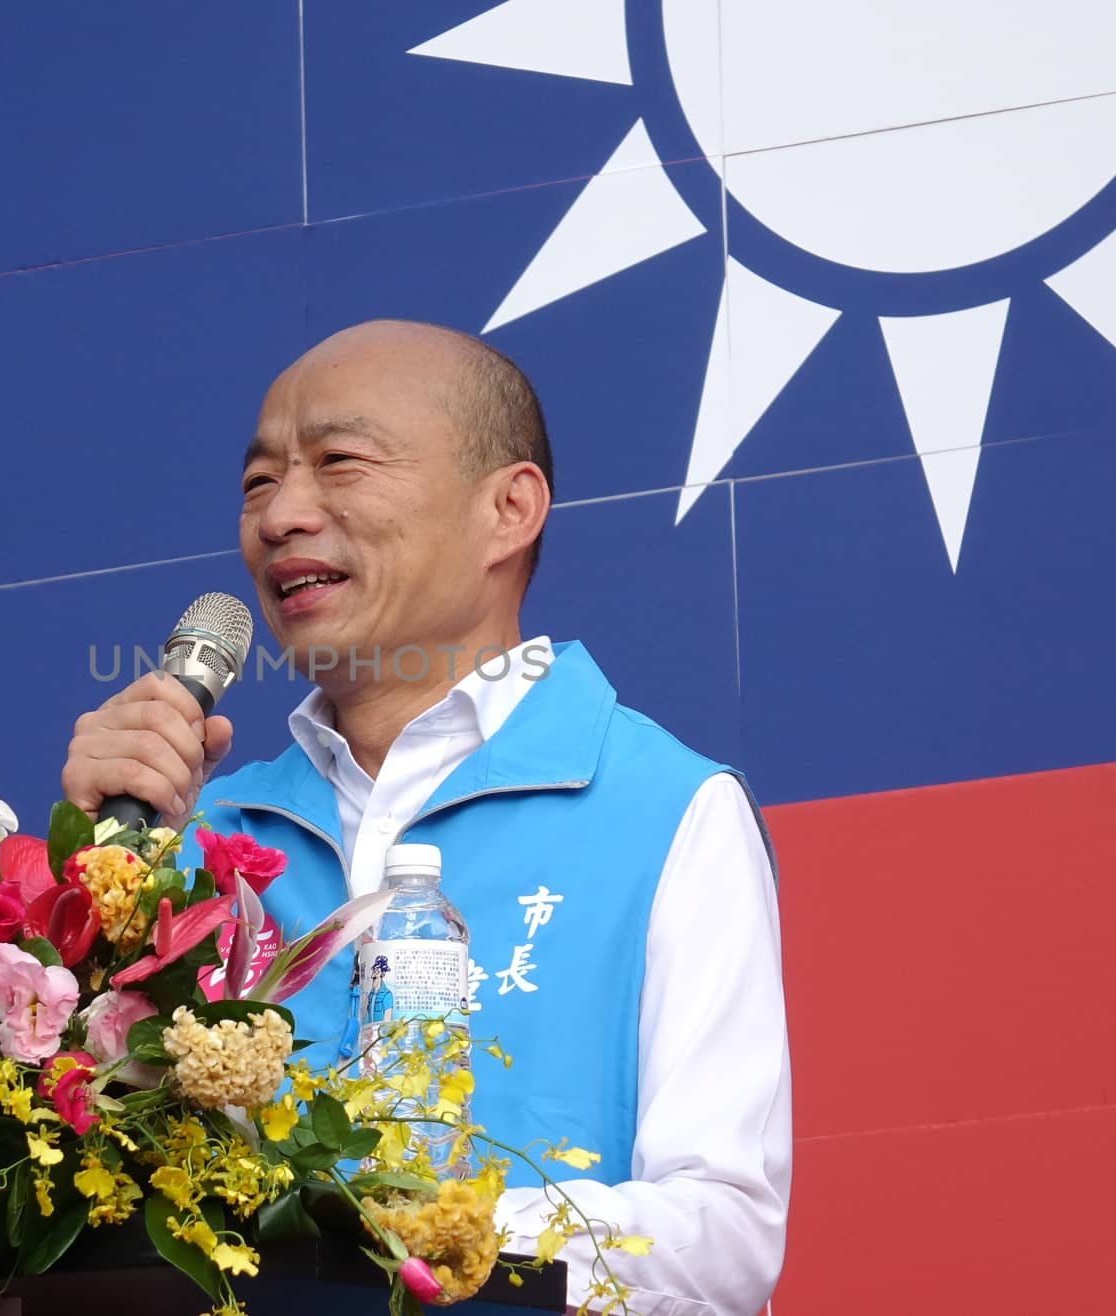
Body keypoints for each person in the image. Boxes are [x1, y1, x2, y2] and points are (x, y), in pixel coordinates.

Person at [61, 320, 790, 1315]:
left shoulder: (664, 808)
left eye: (339, 463)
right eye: (258, 482)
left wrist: (411, 1236)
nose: (281, 515)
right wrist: (96, 871)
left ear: (508, 508)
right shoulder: (198, 829)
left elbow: (725, 1229)